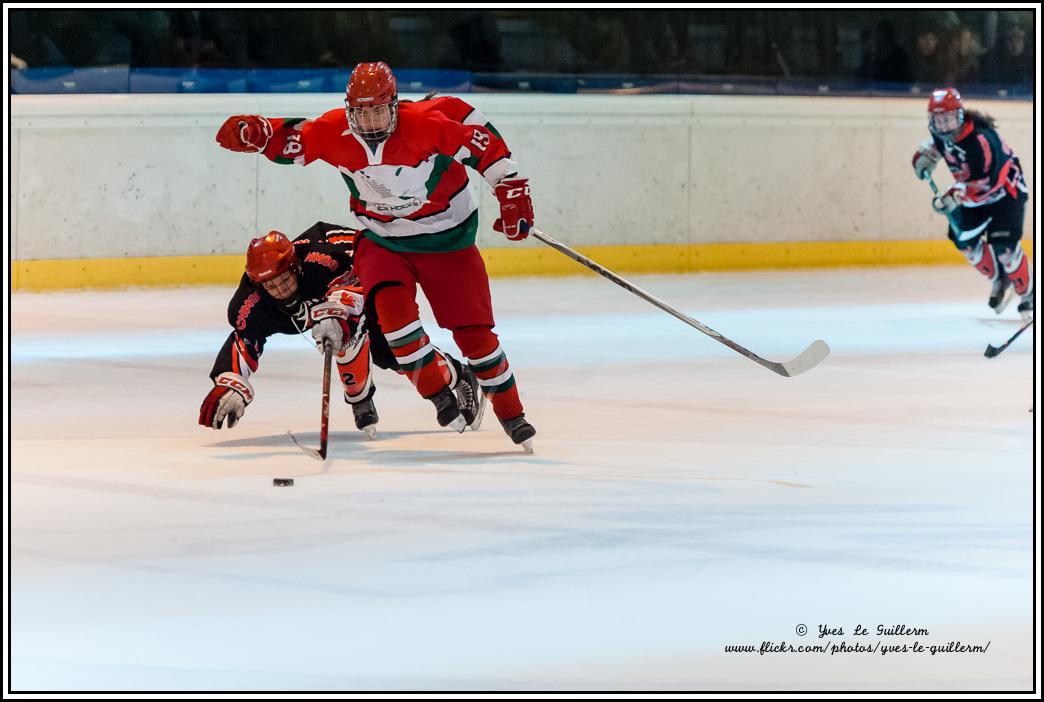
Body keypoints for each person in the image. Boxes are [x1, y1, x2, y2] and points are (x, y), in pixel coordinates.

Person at [214, 61, 535, 449]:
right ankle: (438, 394)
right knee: (395, 325)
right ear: (350, 110)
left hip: (447, 240)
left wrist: (512, 190)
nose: (369, 120)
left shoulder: (427, 124)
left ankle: (512, 414)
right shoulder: (336, 131)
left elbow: (485, 148)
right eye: (360, 111)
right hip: (382, 239)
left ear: (394, 105)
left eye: (378, 110)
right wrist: (260, 134)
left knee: (476, 337)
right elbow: (295, 140)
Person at [199, 222, 381, 435]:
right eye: (271, 286)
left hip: (360, 268)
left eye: (284, 279)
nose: (281, 290)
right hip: (323, 292)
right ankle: (362, 398)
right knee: (357, 340)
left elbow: (359, 278)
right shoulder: (250, 305)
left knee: (387, 349)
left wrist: (339, 307)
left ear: (296, 267)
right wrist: (231, 381)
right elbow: (245, 340)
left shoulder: (324, 262)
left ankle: (366, 397)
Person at [911, 88, 1033, 321]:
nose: (943, 126)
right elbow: (939, 144)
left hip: (1006, 193)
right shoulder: (940, 133)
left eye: (948, 119)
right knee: (967, 245)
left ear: (959, 115)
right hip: (971, 196)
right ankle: (1001, 278)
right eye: (938, 120)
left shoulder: (981, 140)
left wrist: (955, 194)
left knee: (1005, 249)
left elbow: (991, 183)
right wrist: (927, 155)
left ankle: (1030, 294)